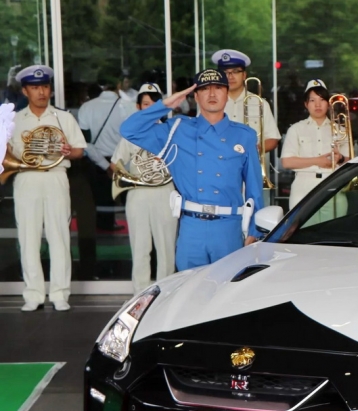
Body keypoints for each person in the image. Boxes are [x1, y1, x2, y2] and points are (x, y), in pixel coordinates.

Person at [120, 69, 264, 271]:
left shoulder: (244, 135)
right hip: (191, 228)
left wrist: (254, 231)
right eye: (204, 89)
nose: (212, 95)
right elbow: (128, 130)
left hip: (229, 228)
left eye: (218, 89)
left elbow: (254, 188)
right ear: (195, 96)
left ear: (226, 93)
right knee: (188, 293)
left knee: (226, 294)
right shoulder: (177, 129)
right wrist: (165, 105)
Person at [9, 65, 86, 311]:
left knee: (59, 236)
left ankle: (59, 293)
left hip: (55, 177)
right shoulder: (14, 119)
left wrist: (67, 151)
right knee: (28, 237)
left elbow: (79, 150)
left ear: (50, 89)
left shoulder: (63, 118)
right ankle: (33, 294)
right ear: (25, 91)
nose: (41, 92)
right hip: (26, 178)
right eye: (34, 88)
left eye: (44, 87)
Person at [108, 83, 177, 293]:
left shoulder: (171, 131)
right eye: (146, 104)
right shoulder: (130, 134)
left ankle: (166, 292)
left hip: (166, 192)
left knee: (166, 247)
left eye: (155, 104)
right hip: (138, 193)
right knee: (140, 247)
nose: (150, 108)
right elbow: (115, 164)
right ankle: (140, 293)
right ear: (138, 107)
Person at [281, 79, 350, 210]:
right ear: (306, 104)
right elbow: (287, 162)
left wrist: (340, 159)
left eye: (322, 99)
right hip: (303, 187)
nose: (318, 105)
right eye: (312, 100)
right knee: (302, 230)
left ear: (329, 103)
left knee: (332, 228)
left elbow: (350, 161)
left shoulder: (340, 130)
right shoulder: (295, 129)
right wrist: (318, 161)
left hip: (332, 184)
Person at [78, 76, 136, 230]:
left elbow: (85, 142)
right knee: (131, 203)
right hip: (125, 163)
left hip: (97, 162)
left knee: (101, 202)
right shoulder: (129, 106)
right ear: (118, 85)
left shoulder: (87, 107)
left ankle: (105, 229)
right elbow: (133, 139)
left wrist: (105, 165)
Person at [212, 49, 282, 154]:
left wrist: (252, 151)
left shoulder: (260, 103)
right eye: (225, 72)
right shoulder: (210, 103)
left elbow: (272, 139)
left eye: (235, 71)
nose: (230, 76)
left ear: (244, 75)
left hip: (251, 164)